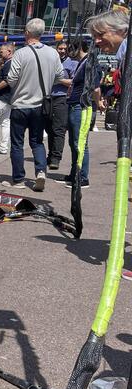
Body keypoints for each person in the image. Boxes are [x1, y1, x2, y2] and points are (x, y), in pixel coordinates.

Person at [86, 9, 132, 281]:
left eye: (100, 35)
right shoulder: (124, 50)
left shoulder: (127, 49)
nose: (97, 42)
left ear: (120, 30)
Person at [4, 18, 64, 192]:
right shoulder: (53, 53)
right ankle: (40, 172)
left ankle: (19, 179)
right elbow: (59, 75)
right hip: (40, 105)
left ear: (27, 33)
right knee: (37, 142)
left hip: (20, 104)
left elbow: (12, 79)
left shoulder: (21, 54)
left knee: (16, 143)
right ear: (42, 33)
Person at [57, 38, 99, 189]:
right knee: (74, 142)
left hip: (81, 106)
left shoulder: (90, 63)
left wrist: (97, 103)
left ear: (78, 48)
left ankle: (82, 177)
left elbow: (95, 88)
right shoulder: (83, 62)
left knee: (80, 143)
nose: (67, 52)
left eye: (69, 49)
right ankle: (74, 173)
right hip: (74, 105)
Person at [44, 40, 73, 170]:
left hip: (62, 98)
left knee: (58, 129)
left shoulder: (72, 63)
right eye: (60, 48)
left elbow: (73, 82)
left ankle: (56, 158)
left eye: (64, 49)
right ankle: (50, 155)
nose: (62, 51)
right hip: (48, 98)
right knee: (49, 128)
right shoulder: (50, 62)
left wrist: (59, 80)